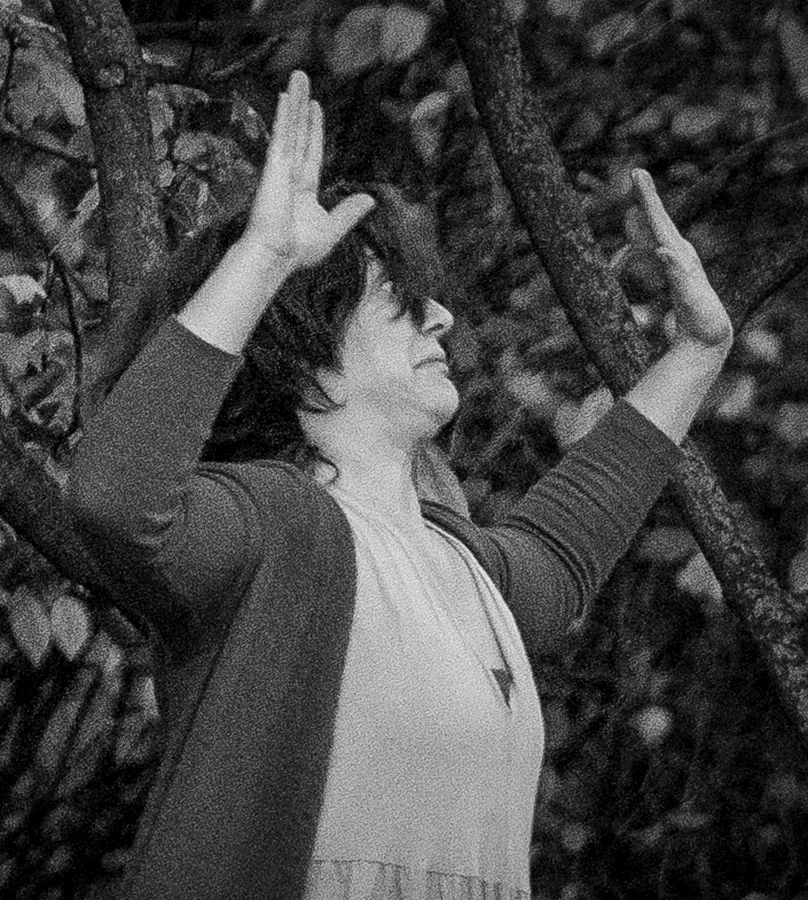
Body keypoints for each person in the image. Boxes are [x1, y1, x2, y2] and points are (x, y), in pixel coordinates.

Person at [67, 70, 733, 900]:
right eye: (401, 301)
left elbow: (561, 553)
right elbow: (116, 501)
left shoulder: (459, 562)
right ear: (305, 354)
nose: (443, 319)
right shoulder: (280, 530)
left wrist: (698, 353)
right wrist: (263, 258)